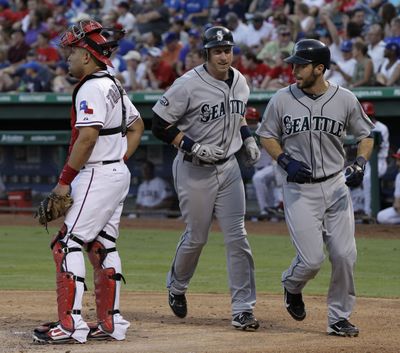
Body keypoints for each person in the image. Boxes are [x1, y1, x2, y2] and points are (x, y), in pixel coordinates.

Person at [32, 19, 144, 344]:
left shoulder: (92, 86)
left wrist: (64, 181)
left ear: (87, 54)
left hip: (95, 172)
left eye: (71, 52)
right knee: (103, 245)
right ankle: (111, 323)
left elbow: (87, 137)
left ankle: (71, 326)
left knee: (66, 244)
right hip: (114, 173)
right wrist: (118, 161)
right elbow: (136, 128)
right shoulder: (113, 83)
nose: (67, 58)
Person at [256, 39, 374, 337]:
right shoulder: (281, 99)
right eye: (293, 63)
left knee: (345, 255)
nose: (294, 69)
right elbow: (267, 135)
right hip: (299, 189)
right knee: (311, 260)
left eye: (301, 65)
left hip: (335, 185)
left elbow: (366, 134)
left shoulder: (344, 98)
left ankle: (338, 318)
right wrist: (283, 160)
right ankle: (291, 285)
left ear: (320, 68)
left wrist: (360, 163)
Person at [151, 26, 260, 331]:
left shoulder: (240, 81)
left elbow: (237, 114)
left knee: (238, 237)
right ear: (207, 54)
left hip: (228, 168)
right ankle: (177, 286)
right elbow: (159, 125)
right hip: (193, 168)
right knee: (197, 236)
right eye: (217, 51)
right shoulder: (187, 84)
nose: (224, 56)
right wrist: (192, 145)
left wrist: (247, 137)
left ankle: (243, 309)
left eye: (228, 50)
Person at [246, 106, 283, 221]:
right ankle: (273, 215)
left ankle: (263, 210)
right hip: (259, 167)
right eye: (248, 120)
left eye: (252, 120)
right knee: (270, 192)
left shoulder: (263, 128)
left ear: (257, 119)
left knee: (257, 179)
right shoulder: (244, 131)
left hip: (271, 166)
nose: (250, 122)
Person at [360, 101, 389, 217]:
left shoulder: (382, 128)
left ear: (373, 114)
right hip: (364, 160)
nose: (368, 117)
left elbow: (376, 148)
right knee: (343, 176)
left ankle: (369, 212)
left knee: (367, 178)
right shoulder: (358, 126)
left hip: (379, 161)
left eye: (369, 115)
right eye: (365, 115)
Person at [377, 149, 400, 225]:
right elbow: (397, 204)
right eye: (397, 160)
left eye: (399, 160)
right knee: (381, 216)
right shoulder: (399, 176)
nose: (397, 163)